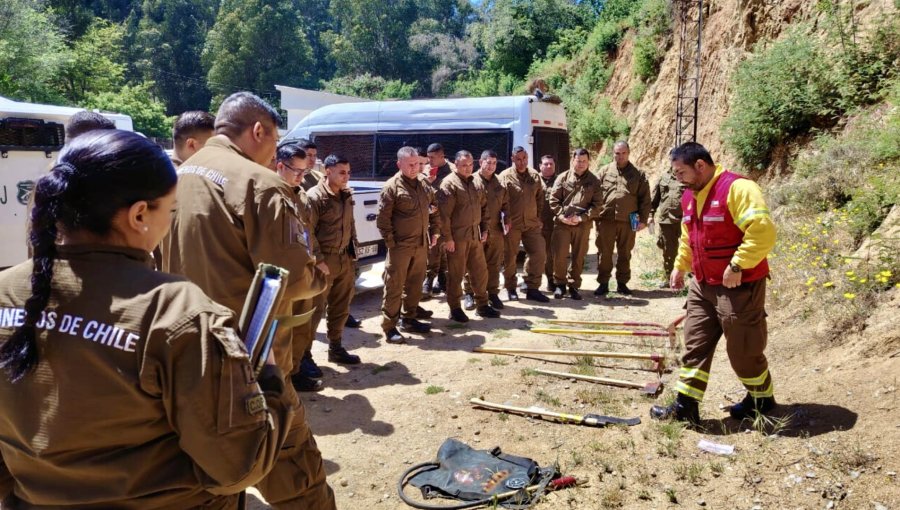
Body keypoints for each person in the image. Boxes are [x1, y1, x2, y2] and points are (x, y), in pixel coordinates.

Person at [0, 129, 295, 507]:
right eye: (170, 211)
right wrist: (269, 380)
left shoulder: (8, 289)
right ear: (139, 214)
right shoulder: (178, 311)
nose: (169, 223)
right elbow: (238, 466)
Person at [161, 92, 335, 509]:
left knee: (212, 481)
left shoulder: (175, 179)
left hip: (183, 359)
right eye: (274, 141)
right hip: (250, 363)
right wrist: (318, 277)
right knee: (298, 478)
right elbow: (289, 279)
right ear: (258, 130)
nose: (274, 152)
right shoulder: (259, 183)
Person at [650, 142, 777, 425]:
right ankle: (686, 407)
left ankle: (761, 400)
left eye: (681, 172)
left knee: (743, 349)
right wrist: (680, 266)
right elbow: (688, 237)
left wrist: (737, 265)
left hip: (738, 286)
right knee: (694, 343)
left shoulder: (738, 189)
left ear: (700, 166)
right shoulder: (689, 197)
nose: (677, 178)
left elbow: (763, 232)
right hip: (702, 284)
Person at [272, 142, 325, 393]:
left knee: (303, 325)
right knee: (284, 329)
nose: (302, 177)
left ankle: (296, 370)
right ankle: (284, 377)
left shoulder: (301, 195)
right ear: (279, 166)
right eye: (297, 171)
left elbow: (309, 232)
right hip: (284, 277)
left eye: (305, 172)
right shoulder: (271, 196)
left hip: (304, 268)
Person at [377, 146, 439, 344]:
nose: (414, 168)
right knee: (394, 286)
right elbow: (383, 220)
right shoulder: (391, 187)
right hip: (400, 247)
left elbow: (434, 207)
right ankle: (389, 327)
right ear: (399, 164)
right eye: (410, 165)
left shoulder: (423, 183)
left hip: (421, 244)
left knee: (414, 285)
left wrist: (435, 231)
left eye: (417, 164)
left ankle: (409, 318)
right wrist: (392, 244)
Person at [307, 154, 361, 364]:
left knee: (341, 306)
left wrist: (352, 254)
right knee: (314, 310)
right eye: (341, 172)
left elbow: (350, 225)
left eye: (348, 172)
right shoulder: (315, 197)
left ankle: (336, 347)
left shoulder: (346, 195)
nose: (346, 177)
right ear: (327, 171)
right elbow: (307, 231)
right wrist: (319, 260)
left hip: (344, 259)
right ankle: (305, 355)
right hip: (324, 261)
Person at [438, 150, 502, 322]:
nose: (467, 168)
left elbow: (484, 208)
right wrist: (448, 239)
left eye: (470, 165)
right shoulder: (449, 184)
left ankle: (482, 305)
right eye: (463, 165)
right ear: (456, 165)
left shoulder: (475, 183)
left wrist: (485, 229)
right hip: (457, 239)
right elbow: (443, 216)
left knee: (480, 272)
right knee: (456, 275)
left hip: (475, 237)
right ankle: (455, 308)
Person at [593, 141, 651, 296]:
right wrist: (594, 214)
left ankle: (622, 283)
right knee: (605, 252)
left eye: (623, 153)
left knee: (625, 252)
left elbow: (645, 199)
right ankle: (603, 283)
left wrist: (643, 220)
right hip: (606, 219)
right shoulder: (604, 171)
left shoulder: (638, 174)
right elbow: (594, 194)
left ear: (629, 153)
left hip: (630, 219)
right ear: (613, 153)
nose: (620, 156)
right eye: (617, 153)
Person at [549, 148, 604, 300]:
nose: (580, 164)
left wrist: (581, 218)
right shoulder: (562, 178)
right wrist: (561, 216)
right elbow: (553, 200)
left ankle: (574, 286)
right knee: (559, 255)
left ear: (588, 162)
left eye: (584, 161)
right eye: (578, 161)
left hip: (582, 225)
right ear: (573, 160)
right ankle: (560, 285)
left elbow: (598, 205)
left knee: (579, 256)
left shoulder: (594, 181)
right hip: (563, 225)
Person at [498, 146, 549, 302]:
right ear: (512, 159)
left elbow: (540, 197)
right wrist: (504, 219)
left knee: (539, 253)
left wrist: (538, 216)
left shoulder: (534, 175)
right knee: (510, 257)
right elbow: (499, 201)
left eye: (524, 159)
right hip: (513, 224)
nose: (522, 162)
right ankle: (511, 288)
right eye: (518, 159)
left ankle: (532, 287)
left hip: (532, 224)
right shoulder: (504, 177)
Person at [463, 150, 508, 311]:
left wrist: (507, 220)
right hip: (476, 230)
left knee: (494, 263)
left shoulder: (500, 182)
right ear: (480, 162)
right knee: (473, 264)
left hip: (496, 230)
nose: (491, 166)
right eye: (488, 162)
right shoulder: (471, 181)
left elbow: (505, 205)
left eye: (494, 163)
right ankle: (469, 293)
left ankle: (493, 293)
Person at [423, 143, 455, 296]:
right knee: (433, 250)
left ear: (442, 156)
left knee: (443, 250)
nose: (429, 161)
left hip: (448, 218)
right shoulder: (425, 170)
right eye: (428, 157)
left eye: (432, 158)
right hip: (432, 218)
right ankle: (430, 280)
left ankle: (441, 279)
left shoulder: (453, 171)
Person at [650, 165, 687, 287]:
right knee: (668, 250)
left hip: (685, 220)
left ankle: (694, 278)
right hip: (666, 220)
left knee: (692, 248)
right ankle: (669, 278)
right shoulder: (664, 177)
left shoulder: (688, 175)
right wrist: (651, 214)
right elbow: (655, 199)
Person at [539, 155, 558, 292]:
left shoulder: (560, 180)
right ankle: (531, 282)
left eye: (551, 164)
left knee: (552, 254)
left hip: (554, 224)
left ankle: (551, 280)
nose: (549, 166)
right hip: (536, 224)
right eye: (546, 164)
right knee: (534, 254)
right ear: (540, 166)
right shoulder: (534, 180)